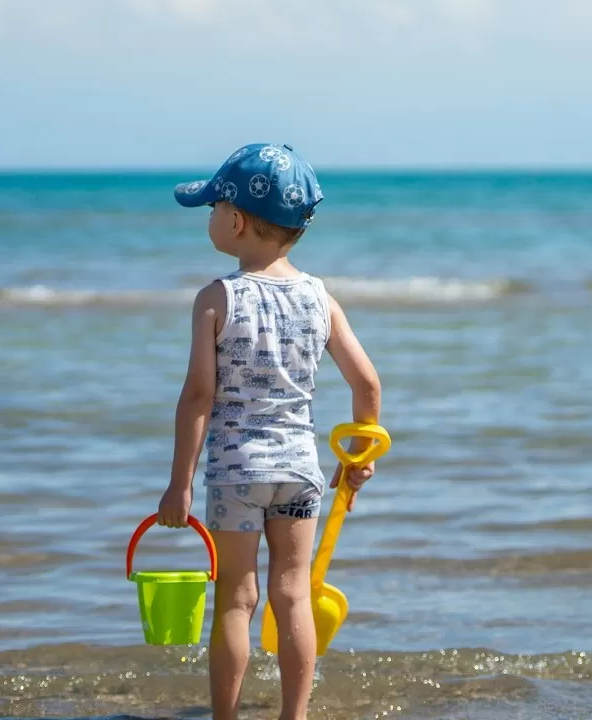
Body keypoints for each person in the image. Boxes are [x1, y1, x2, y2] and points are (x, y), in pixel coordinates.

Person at [156, 143, 383, 720]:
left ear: (234, 220)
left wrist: (179, 484)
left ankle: (226, 718)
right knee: (292, 593)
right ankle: (294, 716)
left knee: (236, 599)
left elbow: (198, 398)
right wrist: (359, 454)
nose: (209, 218)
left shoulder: (217, 298)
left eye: (211, 208)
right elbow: (368, 384)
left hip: (236, 472)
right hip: (300, 471)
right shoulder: (319, 298)